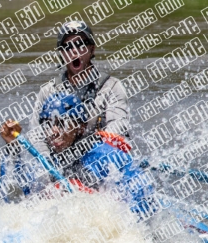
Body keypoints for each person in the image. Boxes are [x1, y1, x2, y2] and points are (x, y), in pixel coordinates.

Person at [0, 93, 156, 217]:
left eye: (61, 123)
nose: (53, 131)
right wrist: (13, 147)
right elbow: (16, 197)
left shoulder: (106, 156)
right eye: (48, 124)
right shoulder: (47, 164)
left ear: (80, 127)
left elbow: (140, 191)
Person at [26, 20, 131, 161]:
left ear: (92, 49)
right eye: (68, 47)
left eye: (80, 44)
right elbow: (36, 137)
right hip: (59, 163)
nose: (74, 51)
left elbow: (119, 128)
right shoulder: (47, 91)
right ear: (61, 53)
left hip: (99, 160)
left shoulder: (111, 86)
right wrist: (48, 167)